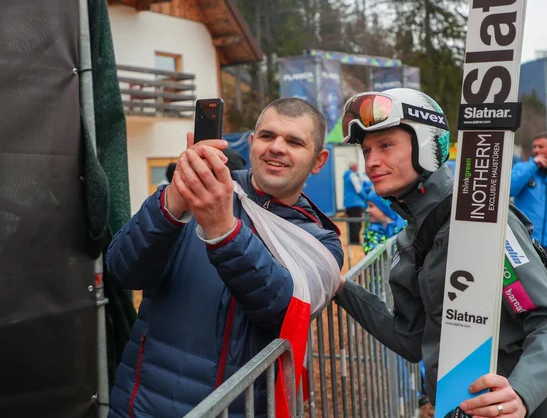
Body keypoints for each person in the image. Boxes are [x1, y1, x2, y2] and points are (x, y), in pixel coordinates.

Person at [335, 88, 547, 418]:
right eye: (366, 151)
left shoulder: (480, 216)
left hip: (519, 406)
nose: (371, 162)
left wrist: (522, 393)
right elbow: (409, 340)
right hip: (457, 407)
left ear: (424, 144)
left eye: (385, 145)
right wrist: (339, 288)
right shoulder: (407, 241)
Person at [106, 98, 343, 418]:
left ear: (319, 160)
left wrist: (223, 230)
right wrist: (173, 201)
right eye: (267, 136)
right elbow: (123, 269)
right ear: (251, 143)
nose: (277, 147)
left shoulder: (320, 241)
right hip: (143, 403)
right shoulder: (199, 191)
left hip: (237, 408)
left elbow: (280, 310)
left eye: (294, 141)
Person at [362, 190, 406, 254]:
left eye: (371, 206)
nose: (367, 210)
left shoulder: (405, 227)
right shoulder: (371, 231)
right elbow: (371, 254)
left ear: (383, 207)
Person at [343, 162, 369, 244]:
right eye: (356, 165)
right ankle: (355, 240)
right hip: (356, 203)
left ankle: (352, 240)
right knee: (357, 223)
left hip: (349, 203)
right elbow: (359, 189)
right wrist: (366, 198)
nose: (357, 167)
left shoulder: (347, 176)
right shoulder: (353, 176)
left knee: (352, 222)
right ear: (353, 166)